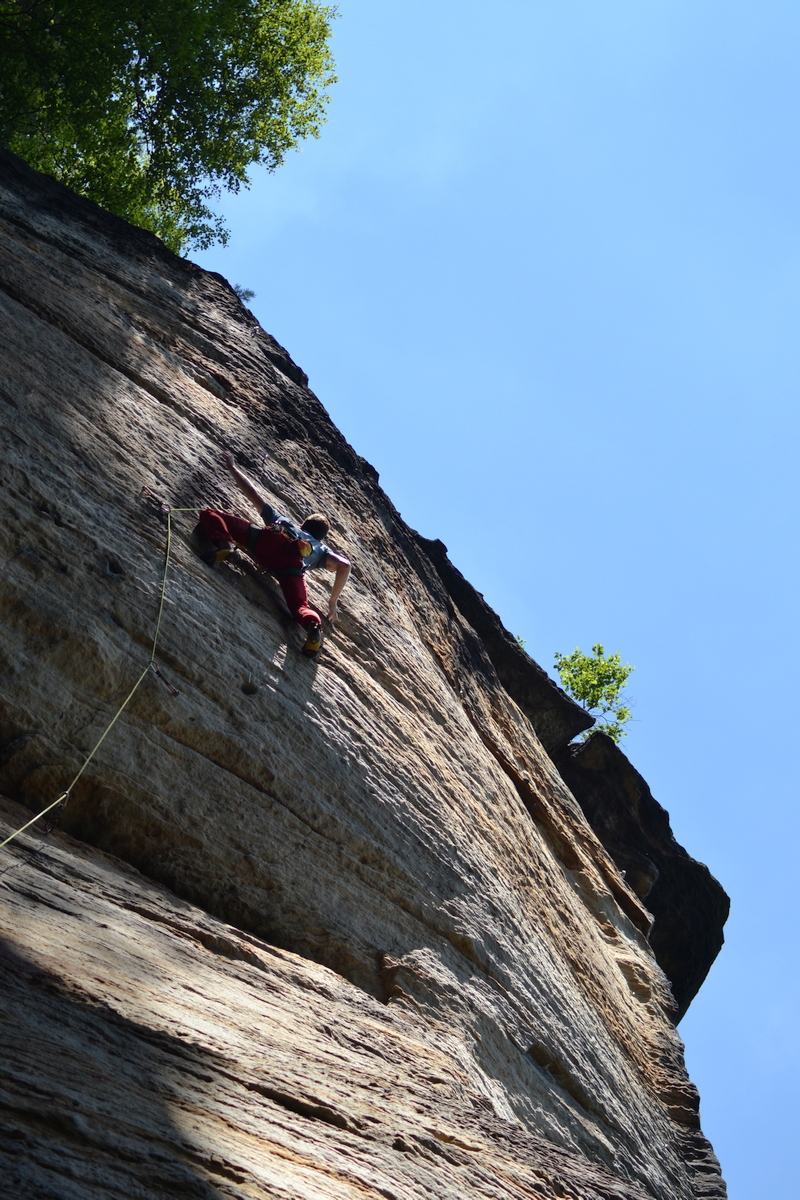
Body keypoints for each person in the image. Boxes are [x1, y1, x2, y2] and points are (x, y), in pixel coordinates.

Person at [198, 451, 351, 656]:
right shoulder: (320, 549)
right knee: (300, 607)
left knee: (211, 515)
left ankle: (226, 546)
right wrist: (332, 603)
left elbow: (253, 494)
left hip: (266, 540)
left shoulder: (285, 520)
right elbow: (345, 566)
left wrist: (232, 468)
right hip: (290, 566)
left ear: (303, 524)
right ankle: (314, 627)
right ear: (320, 537)